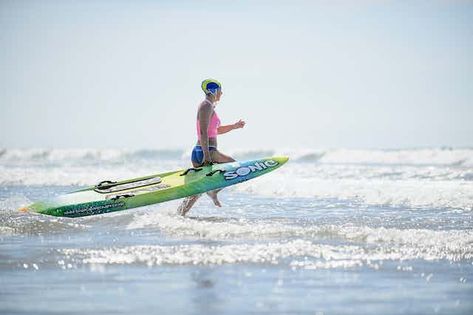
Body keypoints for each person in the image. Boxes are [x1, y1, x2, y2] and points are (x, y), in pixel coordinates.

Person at [177, 79, 245, 216]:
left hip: (202, 151)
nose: (222, 93)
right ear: (214, 91)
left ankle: (180, 214)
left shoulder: (209, 107)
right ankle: (213, 191)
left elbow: (216, 130)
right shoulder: (206, 106)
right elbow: (202, 131)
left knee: (198, 189)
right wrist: (207, 156)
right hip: (206, 151)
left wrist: (233, 126)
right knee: (235, 166)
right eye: (220, 90)